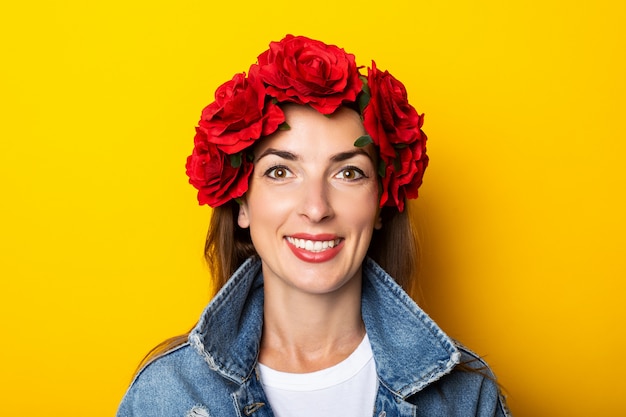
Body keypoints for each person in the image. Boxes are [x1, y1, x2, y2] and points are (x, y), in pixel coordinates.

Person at [117, 34, 511, 417]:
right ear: (242, 204)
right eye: (281, 171)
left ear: (380, 205)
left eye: (349, 173)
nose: (316, 207)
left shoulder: (464, 397)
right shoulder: (164, 397)